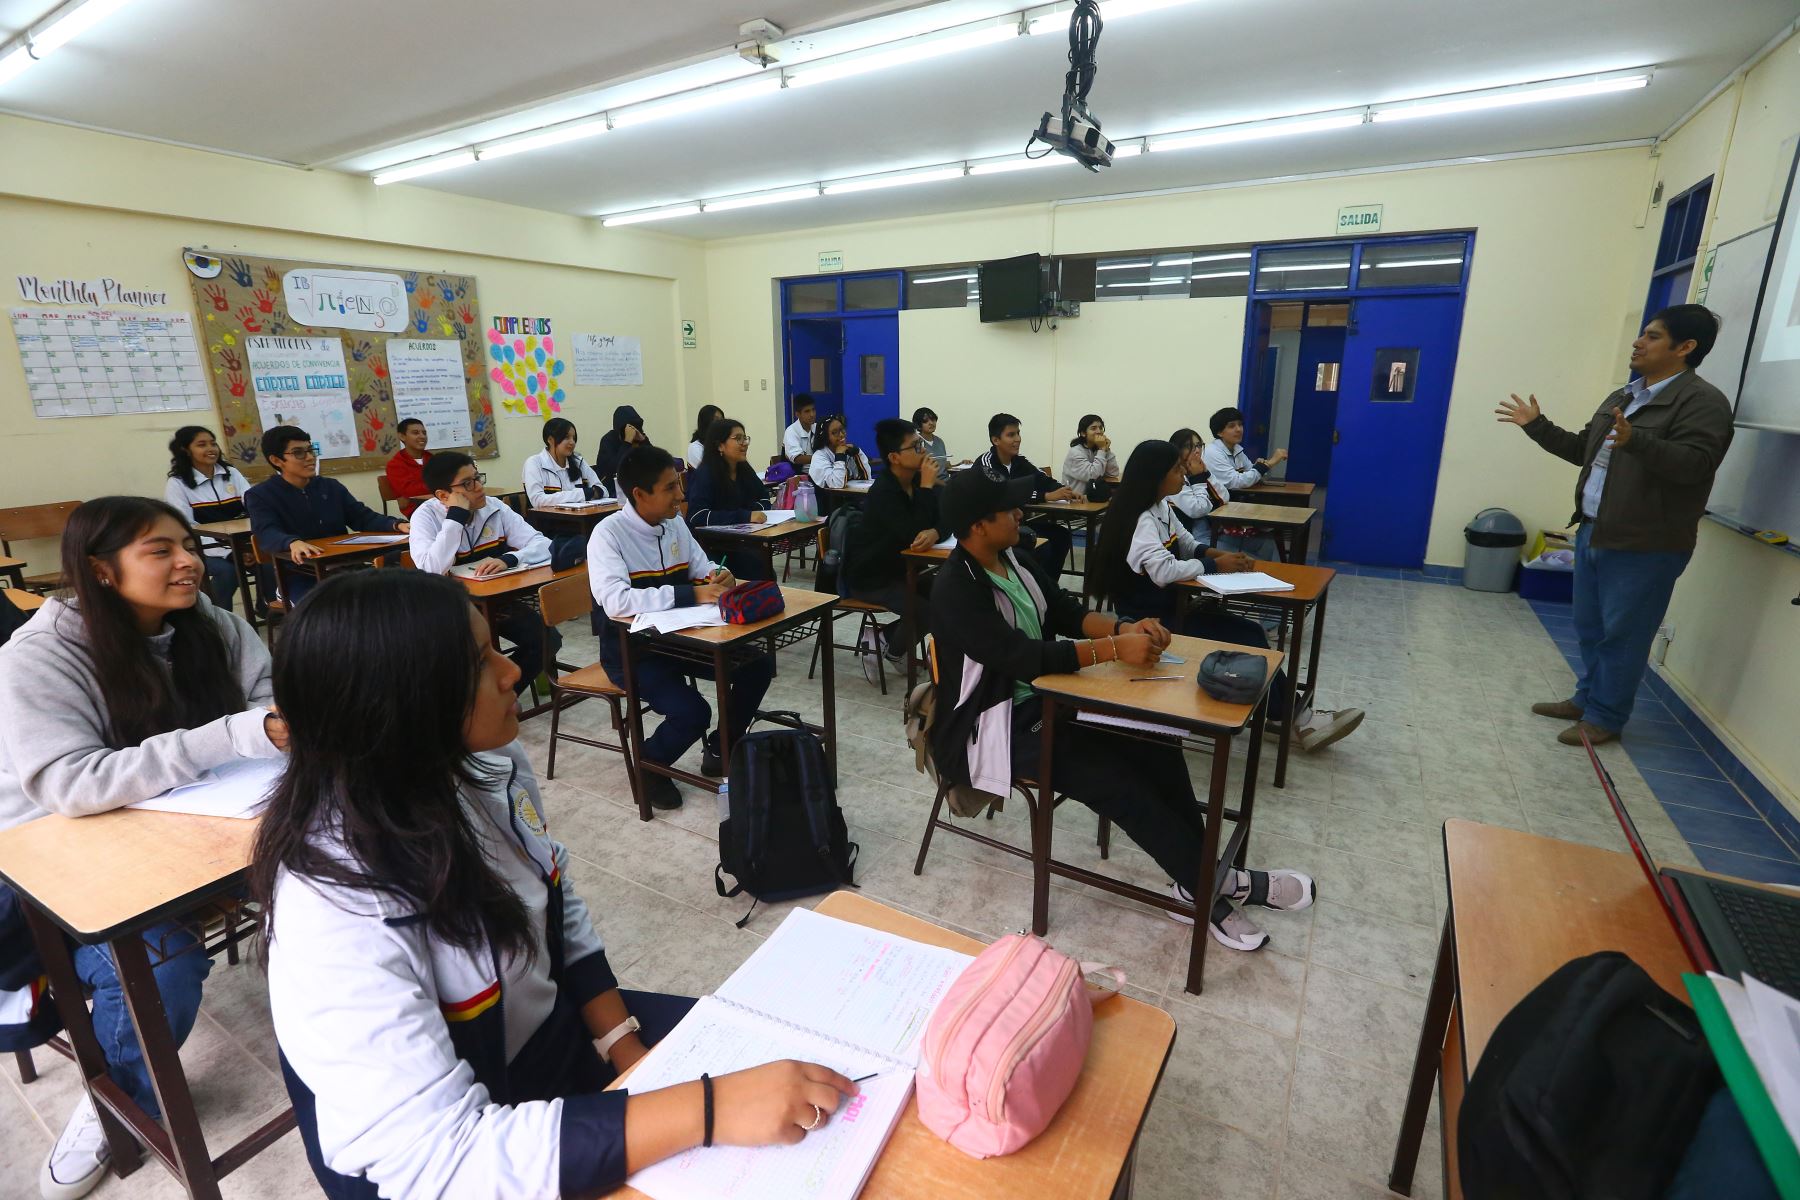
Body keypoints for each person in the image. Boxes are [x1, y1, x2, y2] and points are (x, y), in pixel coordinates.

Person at [254, 570, 858, 1199]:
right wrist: (705, 1109)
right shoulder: (333, 902)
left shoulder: (488, 769)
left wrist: (626, 1050)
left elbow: (555, 901)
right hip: (460, 1157)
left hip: (552, 1043)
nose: (512, 671)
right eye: (477, 663)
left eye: (494, 649)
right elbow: (438, 1160)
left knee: (801, 1068)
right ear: (397, 705)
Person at [0, 496, 285, 1200]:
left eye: (186, 544)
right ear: (100, 571)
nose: (188, 561)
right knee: (163, 964)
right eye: (159, 550)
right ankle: (114, 1103)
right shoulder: (42, 654)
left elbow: (271, 693)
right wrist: (238, 736)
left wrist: (268, 727)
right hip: (56, 851)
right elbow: (67, 782)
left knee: (326, 860)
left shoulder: (207, 623)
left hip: (186, 816)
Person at [928, 470, 1315, 951]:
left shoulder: (1015, 559)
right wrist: (1114, 648)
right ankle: (1212, 886)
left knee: (1157, 742)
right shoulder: (954, 588)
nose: (1020, 515)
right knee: (1115, 780)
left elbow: (1067, 612)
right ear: (978, 526)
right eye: (1008, 511)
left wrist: (1129, 627)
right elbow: (1021, 657)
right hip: (994, 726)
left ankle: (1199, 880)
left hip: (1048, 700)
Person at [1496, 304, 1733, 746]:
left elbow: (1697, 465)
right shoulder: (1623, 396)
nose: (1638, 342)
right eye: (1641, 333)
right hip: (1594, 529)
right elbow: (1583, 449)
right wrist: (1537, 427)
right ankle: (1586, 699)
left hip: (1648, 542)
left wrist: (1637, 440)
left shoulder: (1703, 403)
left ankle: (1605, 717)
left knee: (1624, 635)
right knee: (1590, 627)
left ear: (1685, 348)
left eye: (1653, 336)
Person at [1092, 440, 1364, 753]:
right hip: (1151, 620)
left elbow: (1187, 542)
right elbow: (1163, 571)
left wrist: (1216, 554)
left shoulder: (1161, 507)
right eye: (1177, 469)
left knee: (1250, 632)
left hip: (1175, 604)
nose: (1183, 474)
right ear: (1155, 476)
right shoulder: (1139, 518)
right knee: (1248, 636)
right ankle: (1293, 720)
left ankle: (1287, 715)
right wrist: (1213, 564)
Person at [589, 446, 775, 809]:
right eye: (671, 488)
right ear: (640, 495)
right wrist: (691, 593)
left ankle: (722, 748)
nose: (681, 495)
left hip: (684, 639)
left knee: (757, 664)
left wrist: (714, 575)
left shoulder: (673, 523)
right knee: (692, 712)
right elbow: (616, 601)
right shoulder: (607, 535)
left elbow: (699, 565)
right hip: (633, 652)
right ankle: (650, 765)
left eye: (679, 485)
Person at [410, 452, 558, 692]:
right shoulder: (425, 518)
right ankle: (478, 701)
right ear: (442, 495)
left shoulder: (494, 507)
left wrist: (509, 558)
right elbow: (431, 569)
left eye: (478, 478)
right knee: (465, 661)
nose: (479, 487)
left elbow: (544, 544)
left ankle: (501, 696)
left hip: (496, 603)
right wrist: (455, 518)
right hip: (451, 610)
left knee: (547, 639)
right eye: (468, 483)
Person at [245, 425, 407, 606]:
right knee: (326, 615)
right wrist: (291, 542)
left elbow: (362, 517)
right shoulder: (261, 495)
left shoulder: (331, 487)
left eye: (310, 450)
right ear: (276, 460)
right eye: (298, 453)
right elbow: (266, 531)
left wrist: (397, 525)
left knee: (388, 597)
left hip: (343, 567)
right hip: (298, 574)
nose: (309, 458)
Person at [845, 418, 941, 678]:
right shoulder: (884, 492)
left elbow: (944, 517)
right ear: (894, 457)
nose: (923, 451)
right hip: (872, 576)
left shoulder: (918, 480)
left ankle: (886, 640)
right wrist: (927, 488)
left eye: (920, 444)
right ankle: (892, 646)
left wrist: (935, 531)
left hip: (903, 570)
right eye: (915, 446)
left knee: (948, 591)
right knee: (924, 610)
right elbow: (912, 533)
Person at [976, 413, 1076, 583]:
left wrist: (1064, 491)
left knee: (1061, 536)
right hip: (993, 528)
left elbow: (1043, 479)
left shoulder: (1019, 462)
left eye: (1018, 433)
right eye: (1011, 435)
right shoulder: (986, 463)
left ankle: (1048, 589)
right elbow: (1003, 493)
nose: (1017, 439)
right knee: (1039, 547)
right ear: (995, 440)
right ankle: (1036, 587)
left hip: (1016, 524)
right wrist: (1046, 496)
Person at [163, 424, 252, 612]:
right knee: (228, 571)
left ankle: (267, 607)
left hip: (241, 543)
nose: (211, 449)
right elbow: (186, 527)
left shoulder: (232, 474)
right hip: (204, 548)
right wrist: (226, 552)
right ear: (186, 450)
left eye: (213, 443)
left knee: (267, 563)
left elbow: (254, 506)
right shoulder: (178, 483)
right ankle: (217, 618)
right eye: (202, 445)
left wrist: (248, 547)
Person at [686, 417, 775, 580]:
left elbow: (764, 499)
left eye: (745, 438)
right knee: (755, 569)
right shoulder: (705, 474)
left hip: (745, 540)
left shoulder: (744, 469)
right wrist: (746, 515)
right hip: (715, 548)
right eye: (738, 438)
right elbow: (697, 516)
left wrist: (752, 513)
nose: (744, 443)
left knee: (763, 568)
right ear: (720, 445)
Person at [1202, 408, 1284, 559]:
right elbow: (1237, 481)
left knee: (1268, 543)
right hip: (1216, 514)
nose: (1238, 429)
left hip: (1233, 507)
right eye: (1232, 426)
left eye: (1240, 425)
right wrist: (1270, 462)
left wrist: (1258, 467)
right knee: (1259, 551)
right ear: (1220, 432)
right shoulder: (1212, 452)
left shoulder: (1237, 450)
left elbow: (1251, 475)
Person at [523, 417, 606, 508]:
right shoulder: (534, 463)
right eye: (566, 437)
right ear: (550, 440)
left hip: (581, 518)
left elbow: (603, 490)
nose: (572, 442)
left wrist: (589, 493)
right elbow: (538, 500)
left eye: (574, 438)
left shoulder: (578, 462)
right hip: (549, 520)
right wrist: (582, 494)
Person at [1167, 427, 1224, 542]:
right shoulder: (1172, 477)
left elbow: (1224, 497)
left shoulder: (1197, 470)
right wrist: (1199, 479)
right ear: (1176, 449)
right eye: (1188, 446)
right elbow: (1197, 510)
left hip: (1213, 530)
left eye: (1198, 445)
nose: (1196, 450)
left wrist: (1206, 473)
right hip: (1194, 538)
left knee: (1265, 546)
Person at [1060, 413, 1119, 500]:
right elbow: (1092, 476)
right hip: (1075, 502)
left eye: (1101, 428)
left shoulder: (1097, 449)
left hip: (1093, 498)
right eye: (1093, 428)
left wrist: (1107, 450)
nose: (1099, 431)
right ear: (1083, 433)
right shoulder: (1075, 453)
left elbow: (1113, 473)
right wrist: (1102, 450)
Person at [593, 405, 650, 491]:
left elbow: (656, 463)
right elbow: (613, 470)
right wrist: (627, 443)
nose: (633, 432)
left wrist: (644, 441)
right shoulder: (608, 440)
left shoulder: (640, 439)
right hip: (614, 491)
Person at [383, 418, 432, 517]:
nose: (422, 436)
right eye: (415, 433)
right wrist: (438, 487)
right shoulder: (395, 465)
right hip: (418, 511)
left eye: (424, 433)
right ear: (402, 436)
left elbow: (449, 481)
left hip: (441, 503)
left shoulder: (432, 459)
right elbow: (410, 491)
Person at [808, 415, 873, 488]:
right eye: (835, 432)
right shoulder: (819, 457)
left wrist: (858, 453)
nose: (841, 435)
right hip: (829, 498)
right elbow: (837, 484)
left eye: (842, 429)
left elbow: (866, 478)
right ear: (825, 437)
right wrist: (839, 456)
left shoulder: (847, 451)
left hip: (851, 496)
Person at [914, 406, 955, 474]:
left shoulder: (939, 441)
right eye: (925, 421)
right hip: (929, 481)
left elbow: (943, 466)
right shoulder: (916, 442)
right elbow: (918, 471)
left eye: (933, 420)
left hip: (946, 480)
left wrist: (961, 464)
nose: (931, 423)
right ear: (918, 424)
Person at [783, 395, 820, 467]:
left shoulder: (818, 427)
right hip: (799, 474)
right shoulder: (791, 431)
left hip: (819, 472)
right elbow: (797, 458)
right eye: (807, 411)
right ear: (797, 414)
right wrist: (821, 458)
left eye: (813, 410)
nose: (812, 414)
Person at [686, 404, 725, 468]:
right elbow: (712, 471)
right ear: (706, 423)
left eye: (722, 420)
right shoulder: (695, 447)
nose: (721, 424)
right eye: (717, 420)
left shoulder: (721, 443)